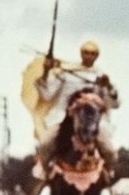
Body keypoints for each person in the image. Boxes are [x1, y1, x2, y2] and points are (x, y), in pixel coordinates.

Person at [34, 40, 120, 174]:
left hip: (93, 123)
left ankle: (107, 177)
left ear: (97, 56)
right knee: (45, 145)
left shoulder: (101, 76)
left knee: (110, 152)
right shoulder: (66, 73)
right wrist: (46, 71)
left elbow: (115, 103)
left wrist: (108, 86)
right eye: (86, 53)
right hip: (64, 118)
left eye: (92, 54)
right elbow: (46, 93)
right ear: (81, 54)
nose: (89, 56)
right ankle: (46, 173)